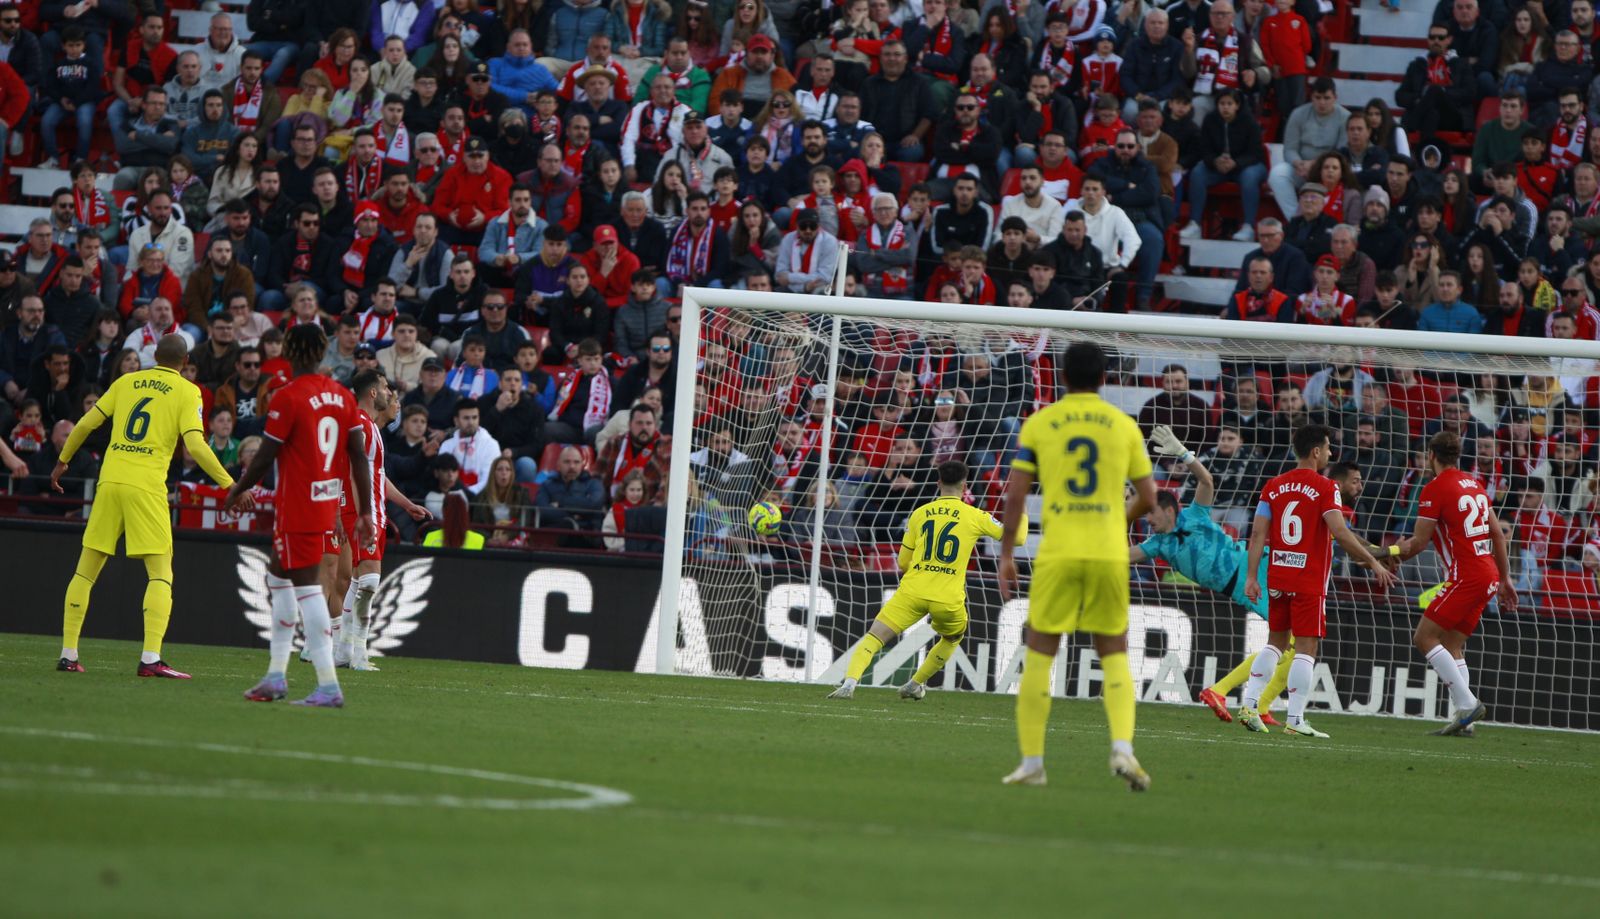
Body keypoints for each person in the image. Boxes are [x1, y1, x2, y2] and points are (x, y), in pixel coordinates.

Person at [996, 340, 1159, 789]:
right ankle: (1123, 748)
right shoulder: (1123, 425)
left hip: (1059, 551)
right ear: (1105, 379)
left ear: (1062, 377)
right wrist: (1114, 521)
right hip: (1108, 552)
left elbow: (1015, 496)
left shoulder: (1041, 423)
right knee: (1115, 652)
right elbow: (1148, 497)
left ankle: (1032, 762)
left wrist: (1007, 554)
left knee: (1040, 654)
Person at [50, 334, 237, 678]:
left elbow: (89, 421)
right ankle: (151, 657)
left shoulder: (126, 381)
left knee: (85, 570)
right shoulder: (187, 391)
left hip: (110, 481)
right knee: (160, 572)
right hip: (147, 486)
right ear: (184, 363)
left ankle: (68, 653)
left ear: (154, 356)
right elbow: (195, 444)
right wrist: (229, 482)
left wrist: (63, 459)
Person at [226, 325, 375, 708]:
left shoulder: (288, 397)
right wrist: (365, 512)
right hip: (325, 503)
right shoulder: (343, 397)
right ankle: (276, 675)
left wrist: (238, 487)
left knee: (308, 587)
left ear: (290, 351)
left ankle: (328, 684)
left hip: (298, 506)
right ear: (322, 352)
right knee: (278, 577)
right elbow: (359, 455)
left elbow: (265, 455)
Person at [1239, 424, 1397, 736]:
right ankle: (1295, 721)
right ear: (1315, 452)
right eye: (1327, 449)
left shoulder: (1273, 485)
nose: (1330, 454)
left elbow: (1257, 533)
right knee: (1306, 648)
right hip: (1308, 579)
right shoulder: (1326, 487)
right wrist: (1372, 561)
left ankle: (1249, 704)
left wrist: (1250, 576)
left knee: (1276, 642)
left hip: (1278, 574)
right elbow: (1340, 532)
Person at [1134, 425, 1293, 726]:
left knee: (1297, 640)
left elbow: (1206, 479)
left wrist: (1183, 453)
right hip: (1243, 584)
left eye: (1150, 514)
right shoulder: (1158, 545)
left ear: (1168, 510)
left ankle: (1256, 705)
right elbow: (1121, 557)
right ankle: (1235, 697)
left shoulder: (1194, 515)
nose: (1148, 521)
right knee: (1291, 641)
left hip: (1256, 566)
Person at [829, 459, 1025, 700]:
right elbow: (1017, 539)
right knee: (953, 636)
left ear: (938, 483)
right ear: (965, 486)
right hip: (947, 598)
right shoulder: (976, 516)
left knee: (874, 636)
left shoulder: (920, 514)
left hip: (912, 591)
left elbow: (902, 562)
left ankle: (849, 683)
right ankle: (915, 683)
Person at [1385, 431, 1516, 735]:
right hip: (1488, 575)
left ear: (1431, 455)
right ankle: (1464, 721)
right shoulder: (1475, 485)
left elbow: (1418, 543)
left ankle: (1468, 703)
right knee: (1453, 644)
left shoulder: (1434, 489)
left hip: (1466, 574)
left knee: (1424, 638)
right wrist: (1505, 578)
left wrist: (1388, 554)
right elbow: (1497, 534)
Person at [332, 369, 429, 671]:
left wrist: (407, 504)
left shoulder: (370, 427)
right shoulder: (359, 425)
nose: (390, 394)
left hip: (374, 510)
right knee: (370, 582)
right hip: (364, 511)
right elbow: (348, 471)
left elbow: (378, 476)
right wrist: (360, 514)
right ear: (373, 393)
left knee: (361, 580)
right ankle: (358, 652)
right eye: (386, 388)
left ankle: (343, 650)